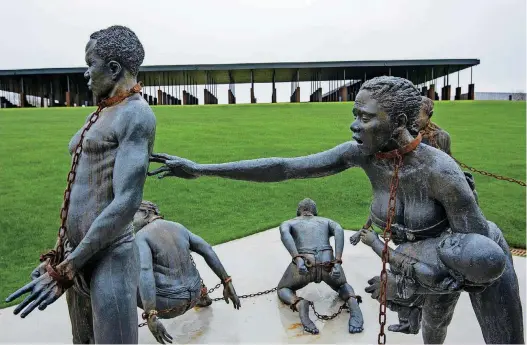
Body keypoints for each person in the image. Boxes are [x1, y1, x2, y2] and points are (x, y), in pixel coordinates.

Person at [148, 76, 524, 344]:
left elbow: (473, 253)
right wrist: (202, 169)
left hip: (473, 257)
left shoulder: (441, 172)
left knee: (458, 324)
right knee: (433, 327)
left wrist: (408, 280)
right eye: (355, 113)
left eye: (365, 117)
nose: (354, 125)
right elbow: (286, 167)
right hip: (420, 256)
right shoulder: (362, 154)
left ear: (402, 123)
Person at [6, 25, 156, 344]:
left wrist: (68, 268)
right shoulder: (103, 112)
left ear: (113, 69)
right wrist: (61, 256)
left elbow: (127, 200)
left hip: (110, 257)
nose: (86, 74)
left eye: (91, 64)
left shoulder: (137, 116)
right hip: (78, 254)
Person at [350, 227, 507, 334]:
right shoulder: (448, 245)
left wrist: (374, 242)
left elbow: (396, 260)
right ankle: (410, 319)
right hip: (411, 267)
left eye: (457, 249)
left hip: (408, 285)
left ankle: (410, 320)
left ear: (458, 274)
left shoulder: (432, 274)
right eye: (461, 238)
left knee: (384, 291)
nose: (453, 241)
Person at [132, 201, 241, 344]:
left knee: (124, 280)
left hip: (167, 306)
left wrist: (151, 315)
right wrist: (227, 282)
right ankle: (203, 296)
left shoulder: (141, 237)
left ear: (145, 213)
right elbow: (207, 249)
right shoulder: (178, 227)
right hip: (194, 295)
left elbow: (145, 271)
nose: (130, 223)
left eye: (131, 217)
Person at [277, 198, 363, 334]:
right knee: (342, 285)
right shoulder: (325, 221)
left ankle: (299, 304)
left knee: (283, 289)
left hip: (305, 263)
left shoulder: (290, 222)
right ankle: (352, 301)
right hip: (327, 261)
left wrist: (297, 258)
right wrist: (337, 261)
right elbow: (339, 230)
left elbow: (284, 233)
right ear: (315, 212)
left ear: (298, 211)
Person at [417, 96, 478, 203]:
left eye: (418, 115)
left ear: (429, 115)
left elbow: (448, 164)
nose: (413, 119)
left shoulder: (442, 137)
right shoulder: (404, 135)